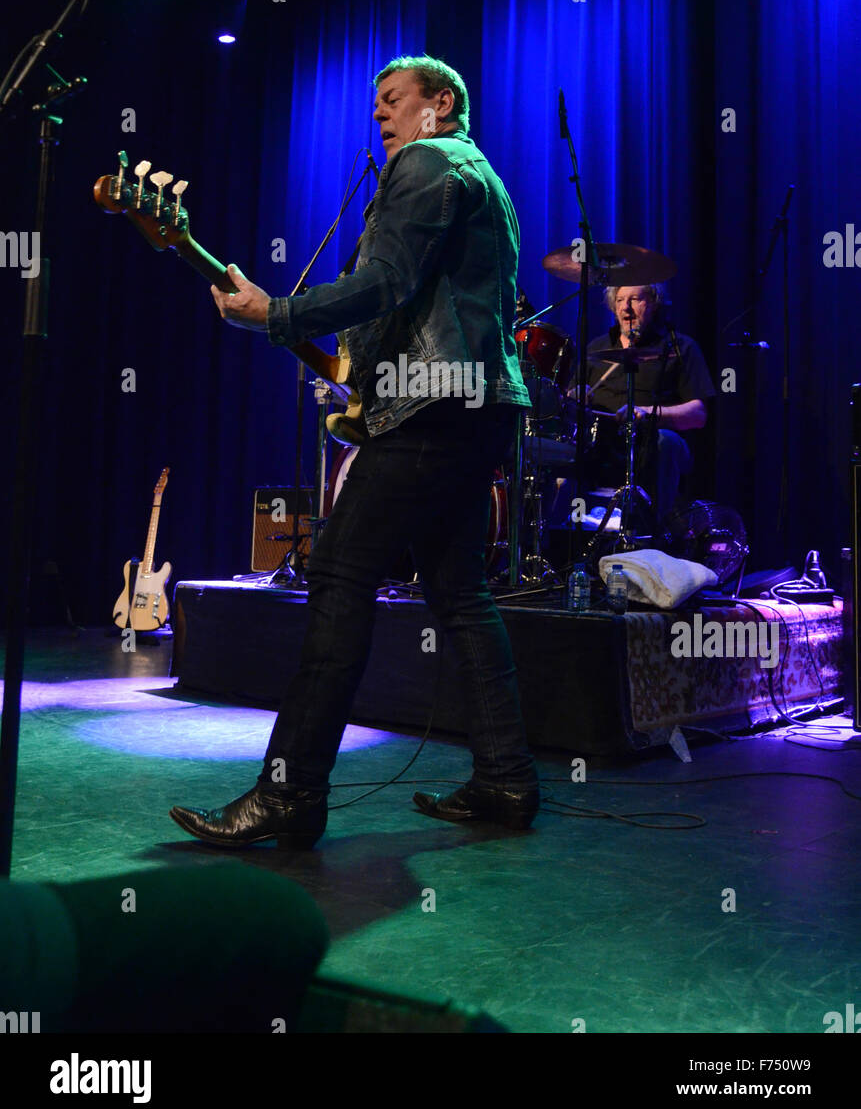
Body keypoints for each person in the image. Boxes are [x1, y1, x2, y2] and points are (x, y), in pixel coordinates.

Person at [169, 55, 539, 850]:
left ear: (440, 104)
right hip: (476, 405)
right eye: (376, 105)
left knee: (338, 579)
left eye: (393, 100)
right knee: (461, 596)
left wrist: (278, 311)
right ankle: (507, 780)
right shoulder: (483, 175)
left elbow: (386, 281)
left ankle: (291, 791)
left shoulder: (428, 160)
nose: (379, 115)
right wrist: (354, 375)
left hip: (431, 411)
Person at [561, 283, 715, 524]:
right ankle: (560, 540)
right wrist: (576, 394)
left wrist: (648, 413)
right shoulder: (597, 348)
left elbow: (698, 414)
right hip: (602, 442)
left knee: (667, 442)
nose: (626, 308)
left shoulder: (679, 347)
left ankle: (656, 533)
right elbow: (569, 400)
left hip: (655, 442)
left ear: (654, 303)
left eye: (635, 299)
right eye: (620, 300)